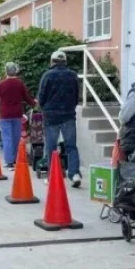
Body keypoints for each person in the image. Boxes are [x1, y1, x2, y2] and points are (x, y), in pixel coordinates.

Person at [37, 51, 82, 187]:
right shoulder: (73, 75)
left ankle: (52, 176)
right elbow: (76, 97)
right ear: (65, 62)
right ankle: (74, 174)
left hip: (51, 116)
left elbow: (41, 96)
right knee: (71, 146)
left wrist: (44, 107)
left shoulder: (47, 75)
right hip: (68, 115)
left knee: (51, 147)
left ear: (52, 61)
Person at [0, 62, 37, 170]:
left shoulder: (2, 84)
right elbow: (26, 97)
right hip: (17, 114)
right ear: (15, 71)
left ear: (6, 71)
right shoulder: (20, 83)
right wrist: (34, 104)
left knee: (7, 138)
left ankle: (9, 162)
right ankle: (16, 158)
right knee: (16, 137)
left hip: (5, 114)